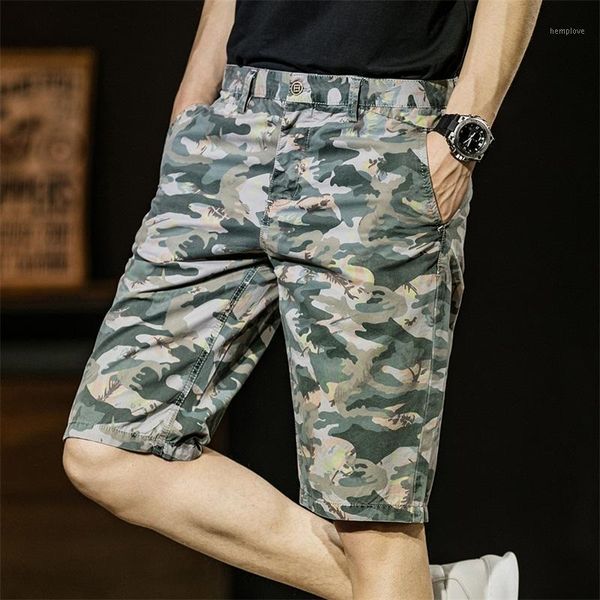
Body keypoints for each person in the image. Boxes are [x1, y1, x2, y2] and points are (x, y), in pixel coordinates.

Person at [61, 1, 541, 598]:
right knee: (106, 449)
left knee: (369, 517)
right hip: (230, 127)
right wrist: (193, 103)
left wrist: (461, 136)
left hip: (378, 141)